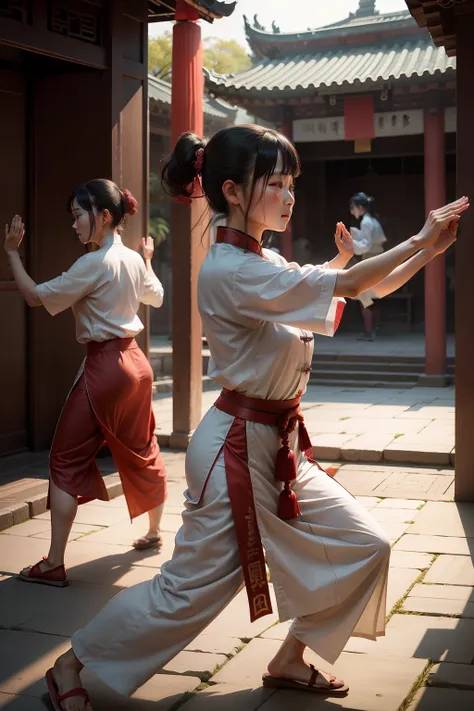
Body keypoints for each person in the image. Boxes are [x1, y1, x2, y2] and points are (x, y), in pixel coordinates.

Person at [46, 127, 467, 711]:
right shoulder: (230, 269)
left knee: (367, 544)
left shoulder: (261, 261)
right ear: (233, 192)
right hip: (234, 452)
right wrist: (419, 237)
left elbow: (359, 290)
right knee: (187, 595)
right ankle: (72, 661)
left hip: (276, 444)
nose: (288, 196)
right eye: (275, 183)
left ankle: (291, 658)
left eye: (291, 183)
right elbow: (345, 280)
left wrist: (426, 250)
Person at [4, 179, 168, 588]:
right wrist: (147, 258)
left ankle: (54, 562)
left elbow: (33, 296)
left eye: (79, 215)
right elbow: (158, 297)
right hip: (136, 363)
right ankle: (153, 531)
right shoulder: (130, 259)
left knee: (63, 459)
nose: (74, 224)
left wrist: (11, 252)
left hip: (107, 366)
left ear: (105, 216)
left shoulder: (93, 264)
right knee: (144, 446)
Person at [349, 192, 387, 340]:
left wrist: (350, 242)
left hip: (371, 262)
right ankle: (374, 328)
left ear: (359, 207)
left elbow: (366, 245)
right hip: (376, 261)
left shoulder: (366, 222)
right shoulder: (371, 220)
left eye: (353, 208)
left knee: (365, 297)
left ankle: (368, 330)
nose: (352, 211)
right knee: (370, 297)